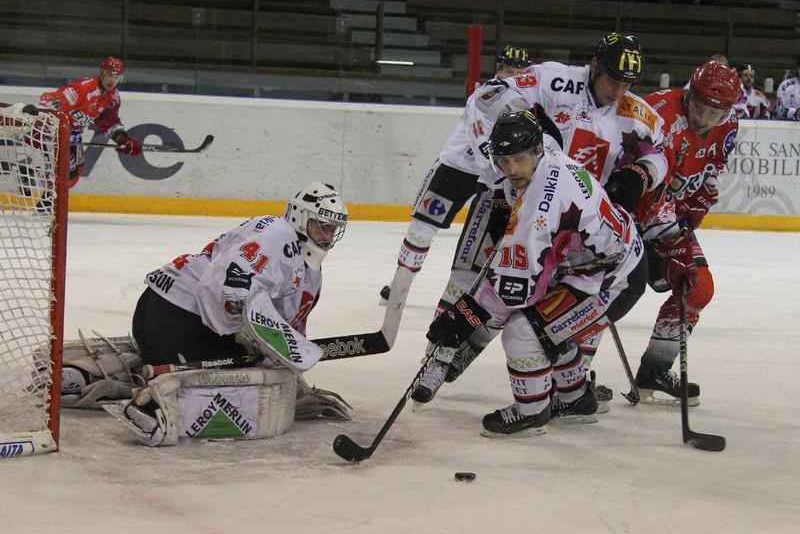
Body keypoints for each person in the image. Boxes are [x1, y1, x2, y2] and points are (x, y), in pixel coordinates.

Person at [411, 33, 667, 405]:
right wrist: (524, 114)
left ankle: (566, 380)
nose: (618, 90)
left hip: (567, 226)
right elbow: (487, 95)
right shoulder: (554, 79)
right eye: (612, 79)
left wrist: (642, 172)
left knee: (537, 297)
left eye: (626, 83)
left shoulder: (637, 114)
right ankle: (438, 359)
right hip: (506, 198)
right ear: (595, 66)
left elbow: (660, 155)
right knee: (466, 280)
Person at [424, 111, 647, 435]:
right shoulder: (547, 152)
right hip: (593, 264)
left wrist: (464, 317)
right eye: (504, 160)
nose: (512, 169)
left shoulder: (539, 209)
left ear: (536, 151)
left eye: (519, 159)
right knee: (547, 327)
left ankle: (531, 413)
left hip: (613, 280)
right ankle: (575, 399)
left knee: (523, 332)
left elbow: (514, 291)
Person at [104, 181, 351, 445]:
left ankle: (113, 373)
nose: (326, 236)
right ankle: (153, 404)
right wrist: (241, 334)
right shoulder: (278, 236)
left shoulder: (301, 261)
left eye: (331, 229)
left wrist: (288, 368)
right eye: (321, 226)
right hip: (176, 319)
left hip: (165, 309)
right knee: (242, 376)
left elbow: (286, 326)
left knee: (248, 361)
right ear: (299, 217)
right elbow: (229, 282)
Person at [378, 45, 534, 332]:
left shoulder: (527, 104)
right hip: (456, 170)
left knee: (482, 247)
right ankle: (400, 286)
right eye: (508, 71)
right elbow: (480, 140)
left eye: (519, 73)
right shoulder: (485, 96)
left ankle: (470, 299)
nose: (513, 77)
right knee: (421, 230)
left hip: (493, 179)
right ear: (499, 70)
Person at [632, 61, 740, 404]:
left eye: (715, 113)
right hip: (625, 214)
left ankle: (654, 370)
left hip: (668, 217)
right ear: (689, 95)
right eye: (699, 107)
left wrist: (702, 194)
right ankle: (570, 379)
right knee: (605, 294)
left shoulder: (729, 125)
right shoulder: (660, 116)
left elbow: (712, 165)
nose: (704, 119)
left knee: (698, 289)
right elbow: (649, 186)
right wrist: (674, 240)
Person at [38, 57, 141, 187]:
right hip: (56, 134)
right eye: (110, 75)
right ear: (102, 73)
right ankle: (36, 184)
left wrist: (123, 140)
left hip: (74, 136)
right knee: (65, 175)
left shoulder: (112, 97)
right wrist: (41, 118)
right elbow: (53, 99)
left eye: (116, 77)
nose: (112, 81)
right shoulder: (85, 88)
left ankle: (34, 178)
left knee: (76, 172)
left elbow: (108, 121)